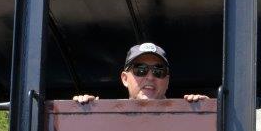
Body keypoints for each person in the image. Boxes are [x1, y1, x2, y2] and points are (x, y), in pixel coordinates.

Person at [73, 42, 209, 103]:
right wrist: (86, 112)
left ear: (167, 80)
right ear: (125, 79)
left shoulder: (185, 115)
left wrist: (209, 113)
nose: (150, 77)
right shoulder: (108, 118)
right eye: (140, 69)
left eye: (158, 71)